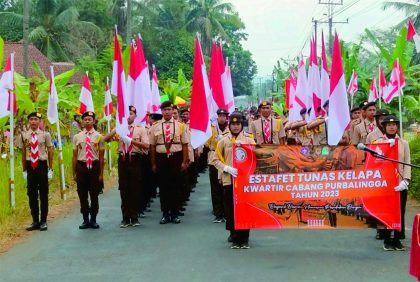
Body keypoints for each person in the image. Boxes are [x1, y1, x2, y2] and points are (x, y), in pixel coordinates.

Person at [211, 111, 256, 249]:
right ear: (229, 125)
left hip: (244, 181)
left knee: (245, 209)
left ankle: (245, 238)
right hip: (229, 179)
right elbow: (215, 159)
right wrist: (226, 168)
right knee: (230, 209)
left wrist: (247, 148)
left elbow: (256, 158)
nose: (236, 127)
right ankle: (235, 237)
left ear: (242, 124)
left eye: (238, 124)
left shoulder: (249, 139)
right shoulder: (223, 140)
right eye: (233, 124)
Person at [104, 106, 149, 228]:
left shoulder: (140, 129)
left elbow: (146, 145)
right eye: (126, 114)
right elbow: (105, 139)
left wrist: (130, 141)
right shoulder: (119, 128)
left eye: (131, 113)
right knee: (124, 189)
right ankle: (125, 217)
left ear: (135, 115)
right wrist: (116, 130)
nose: (128, 116)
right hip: (123, 159)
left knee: (135, 188)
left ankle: (134, 217)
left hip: (135, 159)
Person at [149, 101, 189, 224]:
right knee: (163, 187)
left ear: (172, 111)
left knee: (176, 186)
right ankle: (165, 213)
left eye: (169, 109)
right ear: (161, 111)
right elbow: (152, 147)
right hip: (161, 158)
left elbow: (185, 145)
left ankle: (175, 213)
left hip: (175, 157)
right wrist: (153, 163)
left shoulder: (180, 126)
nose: (167, 112)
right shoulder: (155, 126)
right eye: (164, 110)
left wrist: (184, 161)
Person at [374, 115, 410, 251]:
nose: (392, 127)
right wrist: (385, 149)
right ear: (384, 127)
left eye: (394, 124)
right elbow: (375, 163)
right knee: (386, 211)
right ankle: (387, 239)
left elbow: (407, 162)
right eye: (389, 125)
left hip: (399, 182)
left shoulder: (404, 143)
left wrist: (406, 180)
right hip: (385, 183)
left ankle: (397, 239)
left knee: (400, 211)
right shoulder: (378, 142)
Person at [18, 112, 53, 231]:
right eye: (31, 119)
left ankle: (43, 221)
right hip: (30, 166)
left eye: (36, 119)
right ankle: (35, 221)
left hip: (41, 165)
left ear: (39, 122)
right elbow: (23, 153)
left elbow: (50, 151)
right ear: (29, 121)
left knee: (43, 194)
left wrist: (50, 168)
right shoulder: (24, 135)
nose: (33, 121)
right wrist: (24, 170)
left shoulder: (45, 135)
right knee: (31, 194)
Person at [72, 111, 105, 229]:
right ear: (82, 121)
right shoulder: (77, 137)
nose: (87, 121)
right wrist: (74, 172)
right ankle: (85, 219)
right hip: (81, 167)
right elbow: (74, 156)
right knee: (82, 194)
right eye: (85, 119)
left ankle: (93, 219)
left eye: (89, 119)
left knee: (94, 194)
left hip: (94, 167)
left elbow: (101, 157)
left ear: (94, 121)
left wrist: (101, 173)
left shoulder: (99, 137)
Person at [207, 108, 230, 223]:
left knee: (225, 186)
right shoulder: (212, 130)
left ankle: (226, 213)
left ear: (227, 117)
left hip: (226, 160)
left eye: (224, 116)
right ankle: (218, 213)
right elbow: (207, 143)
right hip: (214, 159)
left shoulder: (230, 129)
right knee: (215, 187)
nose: (222, 118)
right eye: (220, 116)